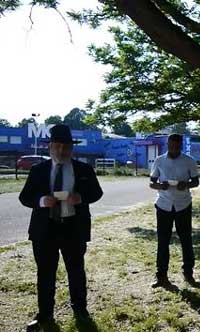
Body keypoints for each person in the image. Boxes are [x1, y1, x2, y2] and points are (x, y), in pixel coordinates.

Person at [19, 124, 103, 332]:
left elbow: (97, 193)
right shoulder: (38, 170)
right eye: (57, 146)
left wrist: (80, 198)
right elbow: (24, 197)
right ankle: (44, 314)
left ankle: (80, 309)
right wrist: (40, 201)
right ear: (50, 147)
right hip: (44, 230)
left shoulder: (84, 169)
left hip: (73, 228)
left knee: (76, 271)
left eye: (65, 147)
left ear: (72, 148)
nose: (61, 151)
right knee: (45, 273)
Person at [149, 134, 200, 287]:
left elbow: (196, 181)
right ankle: (161, 275)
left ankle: (188, 272)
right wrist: (161, 186)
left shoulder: (189, 161)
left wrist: (186, 185)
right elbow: (152, 183)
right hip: (163, 204)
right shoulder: (159, 160)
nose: (174, 149)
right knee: (163, 241)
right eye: (171, 146)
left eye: (177, 147)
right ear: (167, 144)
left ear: (181, 146)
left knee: (186, 239)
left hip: (183, 204)